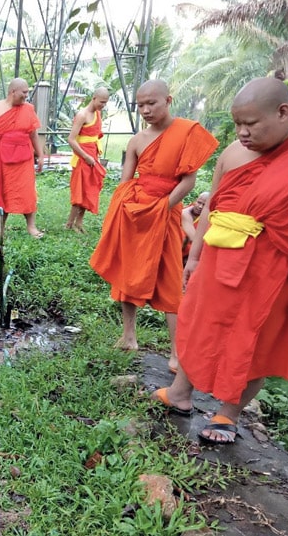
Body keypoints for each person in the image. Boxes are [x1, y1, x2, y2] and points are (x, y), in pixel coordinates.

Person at [152, 78, 288, 445]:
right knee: (197, 323)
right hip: (219, 258)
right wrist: (196, 257)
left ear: (283, 112)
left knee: (254, 342)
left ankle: (227, 414)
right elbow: (211, 209)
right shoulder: (233, 153)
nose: (242, 132)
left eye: (251, 123)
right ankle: (179, 393)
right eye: (237, 124)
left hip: (272, 271)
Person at [89, 79, 218, 371]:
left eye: (152, 103)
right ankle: (128, 335)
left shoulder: (186, 132)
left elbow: (189, 181)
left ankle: (176, 352)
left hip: (166, 211)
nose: (146, 110)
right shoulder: (137, 140)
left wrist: (164, 207)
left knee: (171, 279)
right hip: (135, 212)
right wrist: (120, 215)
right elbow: (125, 182)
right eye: (140, 105)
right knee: (127, 272)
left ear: (168, 100)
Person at [0, 78, 48, 238]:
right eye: (24, 92)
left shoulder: (28, 109)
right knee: (1, 191)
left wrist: (41, 155)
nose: (26, 96)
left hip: (23, 156)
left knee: (27, 190)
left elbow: (33, 133)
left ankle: (31, 227)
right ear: (13, 92)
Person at [65, 87, 110, 234]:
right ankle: (69, 224)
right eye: (101, 102)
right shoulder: (82, 115)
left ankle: (79, 222)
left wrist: (94, 157)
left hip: (93, 156)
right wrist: (85, 156)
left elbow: (95, 136)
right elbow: (71, 140)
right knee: (80, 190)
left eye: (105, 103)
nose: (103, 105)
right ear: (94, 98)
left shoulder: (98, 113)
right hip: (82, 157)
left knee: (90, 189)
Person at [180, 191, 208, 263]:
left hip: (190, 254)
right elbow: (194, 239)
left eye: (204, 205)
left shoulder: (208, 218)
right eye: (199, 202)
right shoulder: (185, 212)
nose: (200, 207)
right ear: (195, 200)